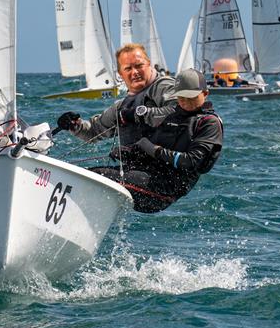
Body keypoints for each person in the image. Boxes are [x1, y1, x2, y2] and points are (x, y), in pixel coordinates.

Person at [90, 68, 223, 213]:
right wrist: (130, 152)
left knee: (99, 177)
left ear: (205, 93)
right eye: (181, 98)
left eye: (191, 97)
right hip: (146, 175)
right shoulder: (171, 115)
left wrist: (155, 150)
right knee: (92, 173)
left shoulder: (209, 123)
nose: (185, 102)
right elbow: (150, 145)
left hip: (165, 189)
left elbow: (192, 161)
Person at [56, 43, 177, 146]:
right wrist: (75, 126)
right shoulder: (121, 107)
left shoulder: (163, 86)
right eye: (128, 68)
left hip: (168, 167)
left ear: (149, 64)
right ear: (120, 74)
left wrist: (140, 114)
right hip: (136, 169)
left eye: (139, 66)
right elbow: (94, 132)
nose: (135, 72)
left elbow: (180, 112)